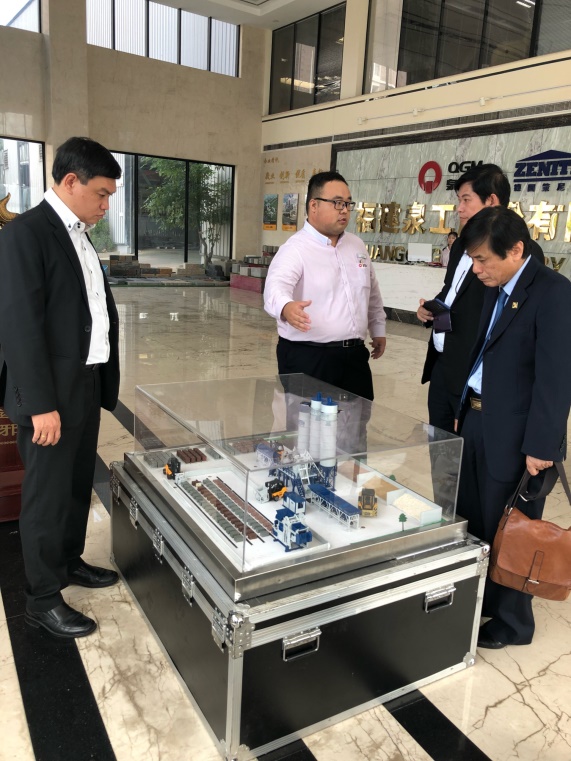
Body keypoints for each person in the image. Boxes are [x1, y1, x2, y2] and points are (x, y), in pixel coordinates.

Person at [0, 137, 122, 640]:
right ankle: (42, 598)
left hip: (83, 383)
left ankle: (69, 561)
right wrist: (40, 405)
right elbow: (19, 326)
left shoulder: (79, 234)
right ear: (70, 181)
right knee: (46, 496)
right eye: (101, 193)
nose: (106, 205)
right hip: (49, 394)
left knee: (75, 484)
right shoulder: (27, 234)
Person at [456, 206, 571, 649]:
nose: (476, 268)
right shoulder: (496, 287)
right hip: (478, 419)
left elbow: (555, 378)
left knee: (515, 528)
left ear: (516, 249)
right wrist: (464, 407)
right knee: (476, 517)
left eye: (483, 259)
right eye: (473, 259)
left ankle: (513, 623)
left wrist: (542, 445)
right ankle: (483, 600)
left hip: (519, 436)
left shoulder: (553, 293)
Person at [417, 163, 544, 434]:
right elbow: (451, 292)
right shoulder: (461, 245)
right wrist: (430, 309)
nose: (459, 208)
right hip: (442, 364)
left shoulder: (519, 254)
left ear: (491, 201)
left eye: (466, 200)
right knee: (439, 448)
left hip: (472, 374)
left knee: (465, 450)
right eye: (458, 200)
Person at [264, 171, 386, 401]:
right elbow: (275, 287)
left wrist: (378, 329)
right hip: (309, 357)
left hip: (354, 357)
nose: (344, 210)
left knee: (358, 419)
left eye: (348, 203)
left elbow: (372, 293)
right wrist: (286, 307)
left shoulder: (356, 246)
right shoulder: (295, 249)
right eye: (337, 203)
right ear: (314, 205)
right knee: (309, 422)